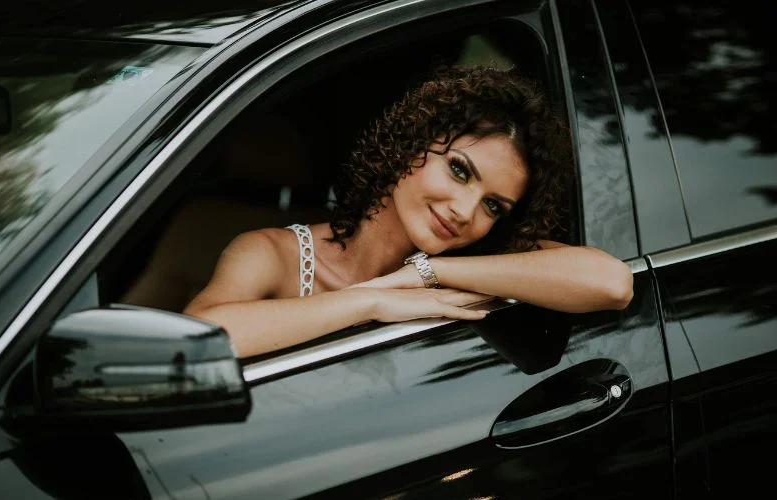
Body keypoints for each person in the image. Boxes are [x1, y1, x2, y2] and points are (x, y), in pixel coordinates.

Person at [183, 65, 634, 358]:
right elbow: (196, 341)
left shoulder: (477, 260)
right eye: (459, 171)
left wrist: (427, 272)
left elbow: (613, 284)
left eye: (493, 205)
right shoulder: (274, 254)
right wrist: (370, 299)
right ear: (409, 146)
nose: (464, 211)